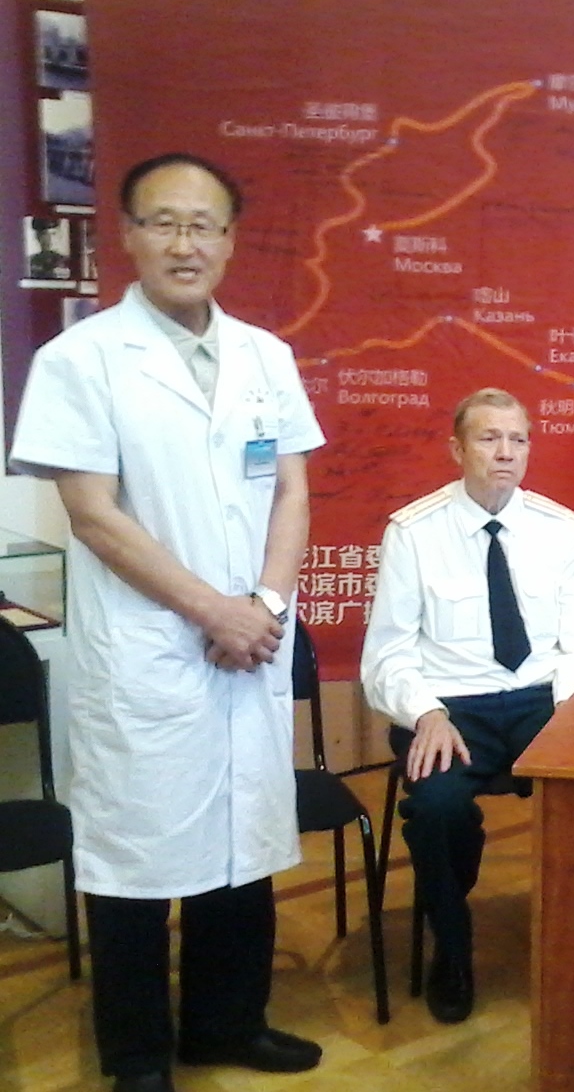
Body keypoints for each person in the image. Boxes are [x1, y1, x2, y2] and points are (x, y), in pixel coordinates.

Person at [8, 153, 323, 1092]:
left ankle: (227, 1024)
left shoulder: (266, 357)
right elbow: (93, 514)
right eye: (164, 222)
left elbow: (292, 489)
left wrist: (265, 606)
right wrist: (215, 611)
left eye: (204, 225)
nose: (186, 243)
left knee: (240, 842)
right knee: (134, 863)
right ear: (129, 235)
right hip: (150, 652)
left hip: (250, 641)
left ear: (229, 240)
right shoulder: (80, 360)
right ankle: (138, 1057)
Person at [362, 388, 574, 1024]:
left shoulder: (558, 527)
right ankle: (452, 945)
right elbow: (387, 655)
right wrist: (426, 712)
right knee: (438, 809)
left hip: (542, 702)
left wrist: (571, 719)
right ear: (457, 449)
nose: (505, 452)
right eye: (489, 438)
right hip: (451, 709)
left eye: (518, 439)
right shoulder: (414, 533)